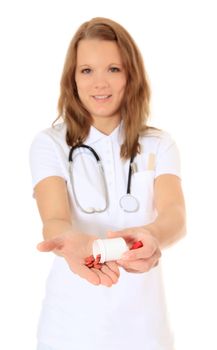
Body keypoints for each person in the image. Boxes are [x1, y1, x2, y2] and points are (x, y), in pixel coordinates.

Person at [29, 17, 186, 350]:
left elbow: (174, 213)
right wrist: (71, 241)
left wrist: (154, 235)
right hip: (69, 328)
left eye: (113, 69)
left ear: (131, 75)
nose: (100, 83)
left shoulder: (159, 144)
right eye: (87, 70)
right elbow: (54, 218)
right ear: (72, 79)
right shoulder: (50, 144)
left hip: (146, 328)